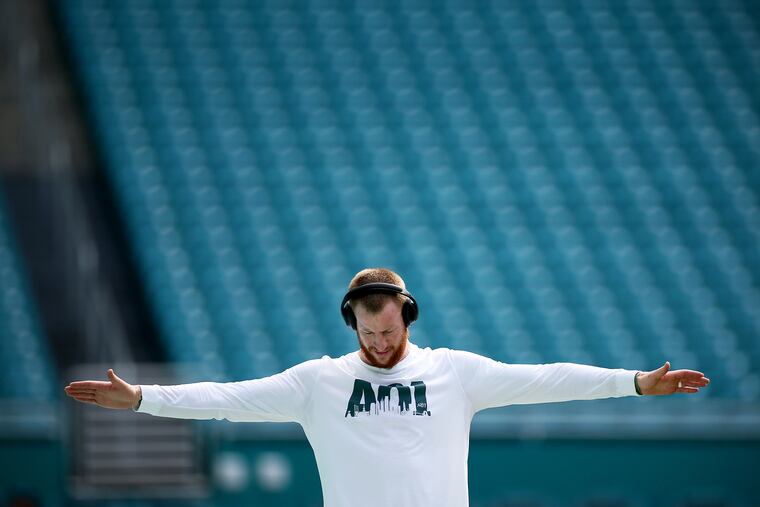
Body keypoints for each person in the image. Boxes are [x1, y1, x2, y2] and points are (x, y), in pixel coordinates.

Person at [65, 267, 710, 507]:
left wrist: (634, 383)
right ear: (353, 323)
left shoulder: (454, 373)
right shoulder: (319, 381)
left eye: (389, 331)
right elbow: (227, 399)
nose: (378, 343)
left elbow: (547, 379)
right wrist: (143, 398)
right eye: (367, 332)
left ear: (408, 317)